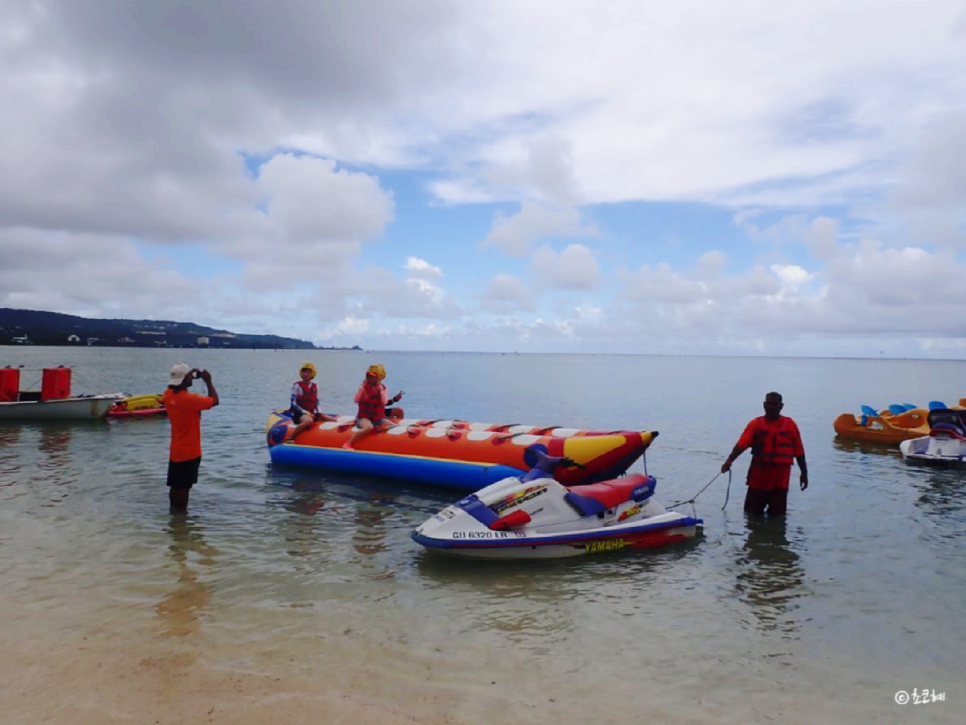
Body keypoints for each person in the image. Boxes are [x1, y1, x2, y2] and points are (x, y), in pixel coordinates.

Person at [721, 391, 808, 517]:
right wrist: (729, 462)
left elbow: (799, 451)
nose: (771, 407)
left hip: (780, 483)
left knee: (777, 519)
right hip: (758, 480)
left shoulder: (790, 425)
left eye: (775, 404)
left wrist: (804, 473)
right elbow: (741, 445)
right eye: (769, 404)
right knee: (751, 516)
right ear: (764, 405)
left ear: (781, 406)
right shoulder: (756, 424)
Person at [163, 363, 219, 513]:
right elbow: (214, 400)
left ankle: (174, 517)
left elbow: (175, 387)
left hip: (176, 451)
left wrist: (188, 376)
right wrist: (207, 381)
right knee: (184, 488)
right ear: (185, 379)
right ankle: (181, 519)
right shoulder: (189, 400)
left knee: (175, 486)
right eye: (189, 376)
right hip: (190, 452)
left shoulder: (168, 396)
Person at [343, 364, 404, 449]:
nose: (370, 378)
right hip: (363, 417)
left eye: (373, 377)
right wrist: (361, 388)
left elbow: (383, 402)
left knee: (396, 427)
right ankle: (348, 443)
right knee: (369, 427)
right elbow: (356, 400)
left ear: (379, 378)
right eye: (369, 376)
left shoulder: (382, 389)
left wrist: (380, 389)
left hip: (377, 418)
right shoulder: (364, 388)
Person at [288, 362, 337, 439]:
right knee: (308, 421)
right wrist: (306, 412)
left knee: (332, 420)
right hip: (299, 414)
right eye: (304, 371)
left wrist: (319, 412)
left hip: (311, 413)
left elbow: (317, 402)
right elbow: (293, 403)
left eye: (308, 372)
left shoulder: (315, 386)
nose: (306, 374)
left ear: (312, 374)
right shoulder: (297, 386)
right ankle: (290, 437)